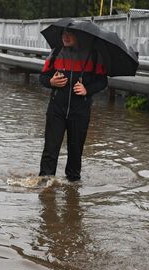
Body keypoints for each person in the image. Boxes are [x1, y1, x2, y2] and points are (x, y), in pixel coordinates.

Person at [38, 28, 108, 181]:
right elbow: (42, 76)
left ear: (79, 36)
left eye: (70, 34)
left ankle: (73, 188)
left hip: (80, 111)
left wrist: (86, 89)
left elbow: (103, 81)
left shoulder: (93, 55)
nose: (66, 37)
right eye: (64, 33)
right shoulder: (56, 52)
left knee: (76, 151)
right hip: (56, 109)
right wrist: (51, 81)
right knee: (51, 149)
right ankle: (45, 186)